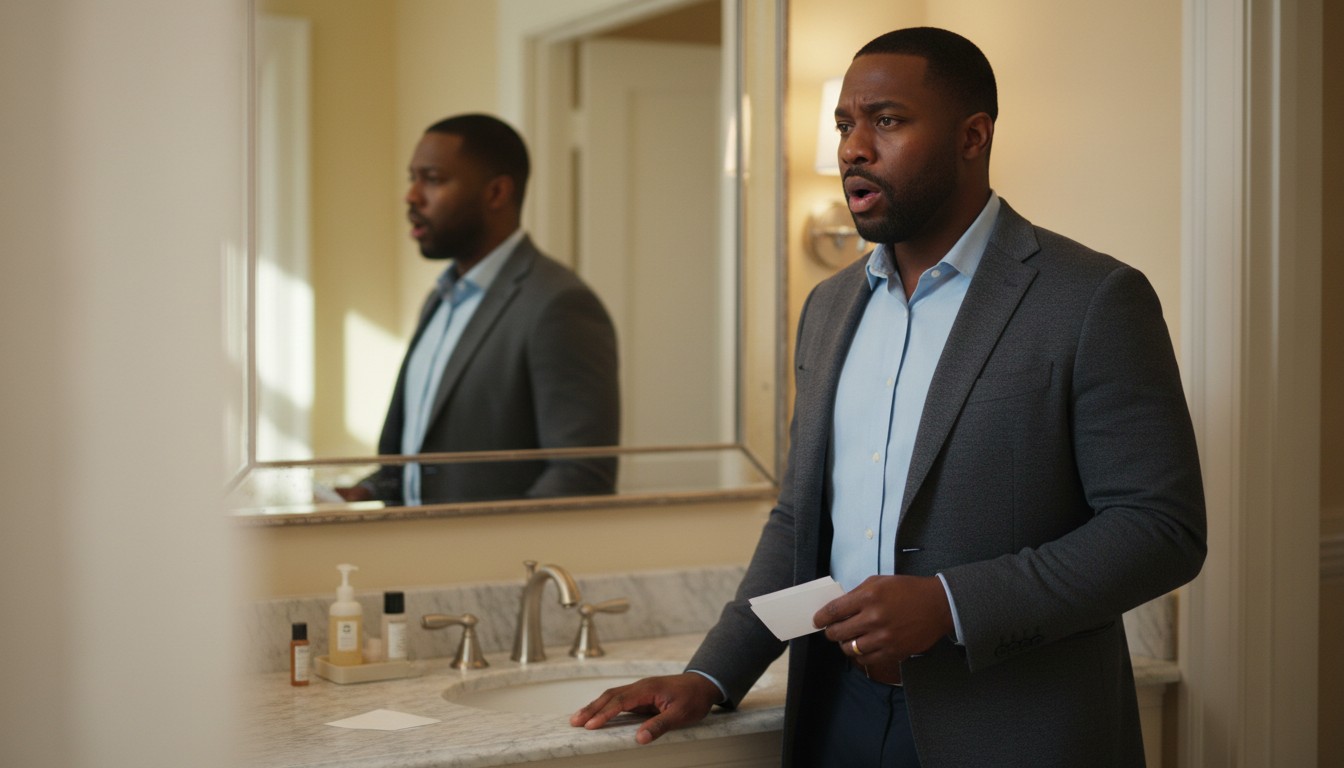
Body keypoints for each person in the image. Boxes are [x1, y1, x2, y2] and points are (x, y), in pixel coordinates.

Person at [570, 27, 1206, 766]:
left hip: (1015, 727)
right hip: (834, 717)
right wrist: (712, 672)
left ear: (973, 136)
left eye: (887, 120)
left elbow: (1159, 530)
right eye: (845, 124)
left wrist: (949, 604)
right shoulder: (829, 307)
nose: (852, 149)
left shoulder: (1091, 299)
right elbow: (799, 520)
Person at [342, 114, 620, 506]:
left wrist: (493, 555)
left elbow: (581, 476)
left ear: (496, 193)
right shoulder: (439, 298)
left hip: (497, 565)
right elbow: (420, 458)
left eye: (433, 179)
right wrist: (368, 490)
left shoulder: (559, 305)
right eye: (412, 178)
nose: (412, 196)